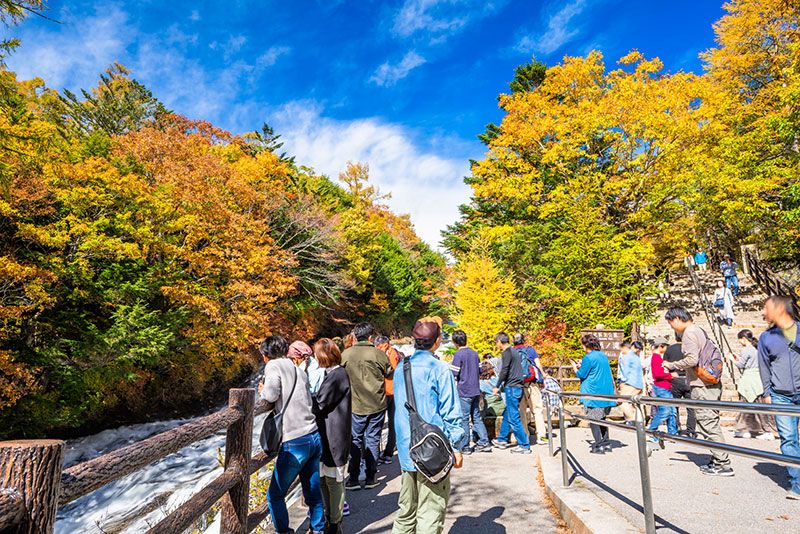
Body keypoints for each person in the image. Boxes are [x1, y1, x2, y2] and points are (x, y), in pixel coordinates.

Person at [392, 317, 464, 534]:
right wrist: (457, 446)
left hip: (407, 448)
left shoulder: (401, 368)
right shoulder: (439, 368)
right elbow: (451, 411)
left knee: (406, 510)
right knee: (430, 511)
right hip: (433, 449)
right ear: (438, 341)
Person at [259, 336, 325, 534]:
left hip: (295, 440)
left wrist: (263, 390)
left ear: (266, 355)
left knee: (275, 495)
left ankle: (285, 532)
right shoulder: (298, 369)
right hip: (313, 435)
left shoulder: (273, 366)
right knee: (312, 491)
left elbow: (270, 396)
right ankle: (318, 529)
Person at [662, 306, 733, 476]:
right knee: (710, 422)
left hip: (702, 385)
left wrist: (671, 365)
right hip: (709, 383)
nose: (672, 327)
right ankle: (718, 458)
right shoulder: (699, 330)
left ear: (677, 319)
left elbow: (691, 359)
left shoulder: (689, 333)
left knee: (708, 423)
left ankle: (723, 463)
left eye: (671, 323)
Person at [341, 323, 393, 491]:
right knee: (373, 439)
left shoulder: (346, 354)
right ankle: (371, 477)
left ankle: (353, 478)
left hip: (355, 405)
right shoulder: (378, 354)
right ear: (371, 337)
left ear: (355, 336)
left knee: (355, 440)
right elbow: (390, 373)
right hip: (377, 404)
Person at [757, 295, 800, 500]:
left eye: (766, 308)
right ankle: (797, 482)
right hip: (780, 394)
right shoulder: (766, 337)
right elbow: (764, 366)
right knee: (788, 438)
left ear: (780, 309)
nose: (763, 312)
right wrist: (766, 392)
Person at [311, 339, 351, 534]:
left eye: (317, 354)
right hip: (332, 433)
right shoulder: (336, 373)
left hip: (333, 435)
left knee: (333, 480)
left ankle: (334, 523)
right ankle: (330, 519)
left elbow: (319, 404)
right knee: (325, 479)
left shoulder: (336, 376)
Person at [571, 334, 616, 454]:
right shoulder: (602, 355)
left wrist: (575, 367)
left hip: (593, 392)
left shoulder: (588, 357)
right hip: (605, 392)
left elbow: (581, 374)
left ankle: (598, 445)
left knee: (594, 419)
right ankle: (606, 443)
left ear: (586, 345)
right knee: (602, 419)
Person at [450, 330, 491, 454]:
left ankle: (466, 446)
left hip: (464, 391)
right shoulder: (474, 353)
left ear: (456, 342)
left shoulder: (458, 355)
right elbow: (480, 370)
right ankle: (484, 442)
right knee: (477, 417)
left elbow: (454, 373)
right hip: (475, 390)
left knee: (464, 419)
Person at [491, 332, 532, 454]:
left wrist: (497, 386)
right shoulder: (515, 351)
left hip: (512, 387)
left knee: (514, 417)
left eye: (496, 342)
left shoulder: (506, 353)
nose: (497, 345)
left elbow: (504, 370)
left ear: (499, 341)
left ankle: (524, 445)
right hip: (518, 386)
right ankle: (502, 439)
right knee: (508, 413)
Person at [733, 329, 777, 440]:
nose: (739, 342)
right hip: (759, 379)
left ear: (743, 339)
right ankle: (767, 429)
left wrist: (732, 359)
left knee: (746, 405)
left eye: (739, 340)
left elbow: (740, 365)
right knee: (760, 406)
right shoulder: (757, 349)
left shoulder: (746, 350)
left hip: (749, 379)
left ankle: (745, 429)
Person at [513, 333, 548, 444]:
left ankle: (525, 437)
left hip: (518, 385)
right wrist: (542, 378)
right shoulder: (530, 350)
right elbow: (538, 365)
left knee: (522, 411)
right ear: (523, 340)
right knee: (537, 410)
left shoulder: (512, 352)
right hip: (532, 384)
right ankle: (541, 437)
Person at [374, 335, 401, 464]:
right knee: (381, 424)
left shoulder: (393, 354)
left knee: (391, 423)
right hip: (385, 392)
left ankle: (388, 452)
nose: (378, 348)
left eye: (380, 346)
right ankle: (380, 453)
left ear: (386, 344)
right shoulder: (391, 353)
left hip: (390, 393)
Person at [664, 338, 697, 437]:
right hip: (689, 379)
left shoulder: (669, 349)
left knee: (674, 406)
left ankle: (675, 428)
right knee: (691, 407)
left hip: (674, 379)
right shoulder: (690, 348)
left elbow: (665, 365)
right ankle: (691, 430)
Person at [648, 337, 678, 440]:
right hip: (661, 387)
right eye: (665, 346)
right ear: (661, 346)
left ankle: (672, 433)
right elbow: (657, 374)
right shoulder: (656, 358)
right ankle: (652, 430)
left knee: (672, 410)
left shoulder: (658, 357)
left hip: (665, 386)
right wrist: (670, 375)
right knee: (664, 411)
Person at [617, 341, 644, 424]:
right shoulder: (636, 357)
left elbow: (625, 371)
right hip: (638, 384)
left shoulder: (627, 356)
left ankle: (632, 420)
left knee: (622, 402)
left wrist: (621, 381)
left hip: (629, 383)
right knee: (634, 404)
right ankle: (639, 421)